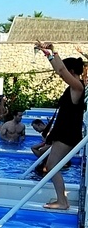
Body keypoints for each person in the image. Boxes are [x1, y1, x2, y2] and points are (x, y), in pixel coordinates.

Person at [34, 43, 85, 209]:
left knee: (52, 166)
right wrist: (48, 54)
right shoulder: (73, 88)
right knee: (51, 166)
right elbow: (60, 70)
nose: (61, 76)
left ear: (71, 72)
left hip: (68, 134)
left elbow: (61, 70)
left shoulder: (78, 87)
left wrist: (53, 52)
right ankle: (62, 200)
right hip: (63, 132)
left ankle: (62, 201)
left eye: (65, 73)